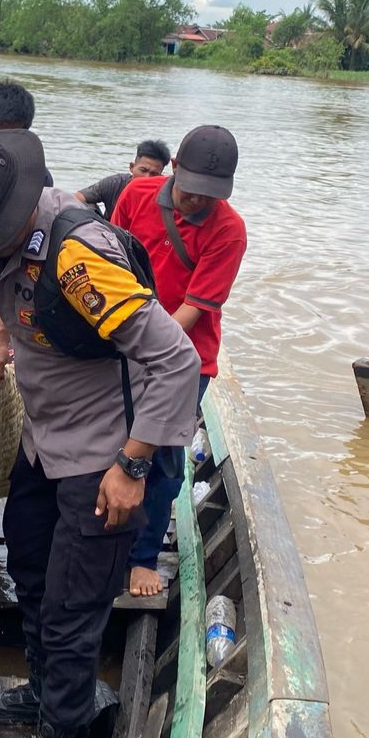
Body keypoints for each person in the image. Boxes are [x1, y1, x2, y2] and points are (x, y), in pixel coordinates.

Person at [0, 129, 200, 738]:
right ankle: (44, 695)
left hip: (101, 457)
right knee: (28, 568)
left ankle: (66, 724)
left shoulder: (81, 260)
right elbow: (17, 301)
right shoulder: (11, 238)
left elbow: (176, 361)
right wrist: (1, 337)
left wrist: (133, 468)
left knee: (73, 614)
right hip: (41, 443)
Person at [110, 125, 245, 596]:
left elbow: (193, 308)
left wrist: (147, 344)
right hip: (123, 342)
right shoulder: (136, 196)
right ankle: (102, 535)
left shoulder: (229, 231)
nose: (196, 202)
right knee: (112, 442)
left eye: (209, 195)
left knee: (165, 459)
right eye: (190, 189)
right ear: (173, 172)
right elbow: (112, 268)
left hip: (188, 356)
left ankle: (143, 556)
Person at [74, 139, 170, 220]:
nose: (147, 177)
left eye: (154, 174)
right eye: (143, 170)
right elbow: (77, 198)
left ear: (160, 176)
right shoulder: (114, 183)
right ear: (132, 167)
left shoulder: (163, 195)